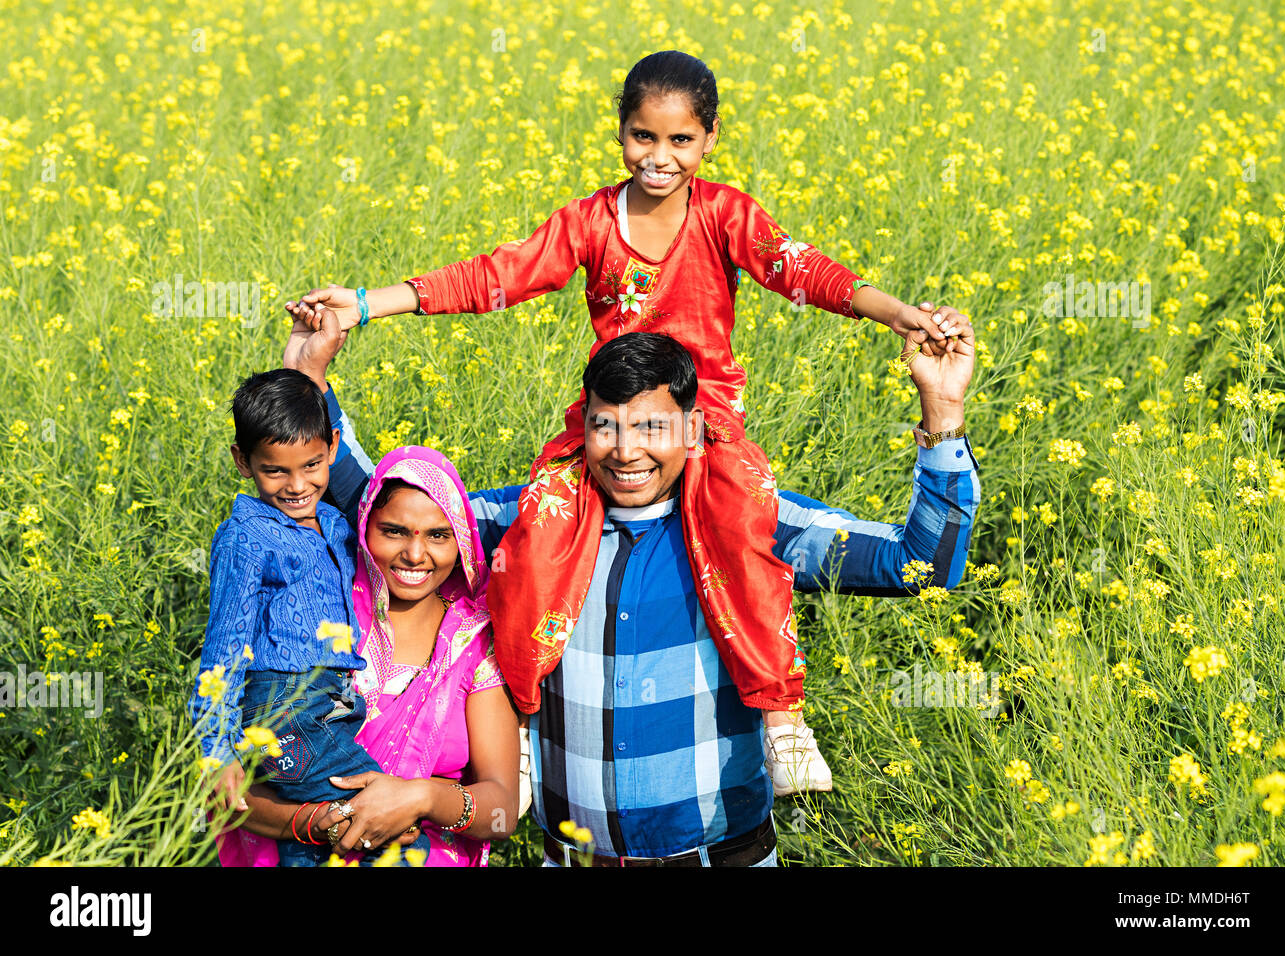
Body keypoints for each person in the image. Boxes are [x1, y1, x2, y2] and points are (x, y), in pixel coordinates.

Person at [287, 50, 972, 795]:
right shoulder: (589, 222)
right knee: (536, 539)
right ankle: (516, 720)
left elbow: (801, 270)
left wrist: (905, 325)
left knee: (744, 527)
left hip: (705, 423)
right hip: (603, 416)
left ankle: (781, 718)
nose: (660, 157)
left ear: (709, 140)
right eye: (644, 137)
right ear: (620, 134)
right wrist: (359, 308)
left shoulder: (724, 215)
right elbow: (494, 278)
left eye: (680, 141)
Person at [287, 310, 980, 866]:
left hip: (722, 855)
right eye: (605, 426)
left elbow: (922, 563)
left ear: (692, 427)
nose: (626, 450)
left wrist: (942, 416)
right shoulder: (535, 517)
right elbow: (386, 506)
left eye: (650, 426)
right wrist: (311, 377)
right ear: (581, 428)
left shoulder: (751, 519)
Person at [220, 413, 520, 865]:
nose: (415, 554)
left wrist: (420, 799)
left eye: (438, 536)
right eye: (394, 531)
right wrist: (318, 820)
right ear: (363, 528)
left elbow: (502, 808)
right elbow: (242, 779)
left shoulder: (474, 646)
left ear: (460, 542)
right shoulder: (317, 618)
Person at [187, 369, 432, 866]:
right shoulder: (245, 537)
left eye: (313, 465)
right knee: (395, 831)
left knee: (314, 845)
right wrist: (215, 753)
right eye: (275, 471)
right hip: (281, 714)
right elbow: (224, 648)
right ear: (243, 462)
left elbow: (409, 516)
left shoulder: (341, 523)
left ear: (333, 446)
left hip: (331, 709)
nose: (297, 485)